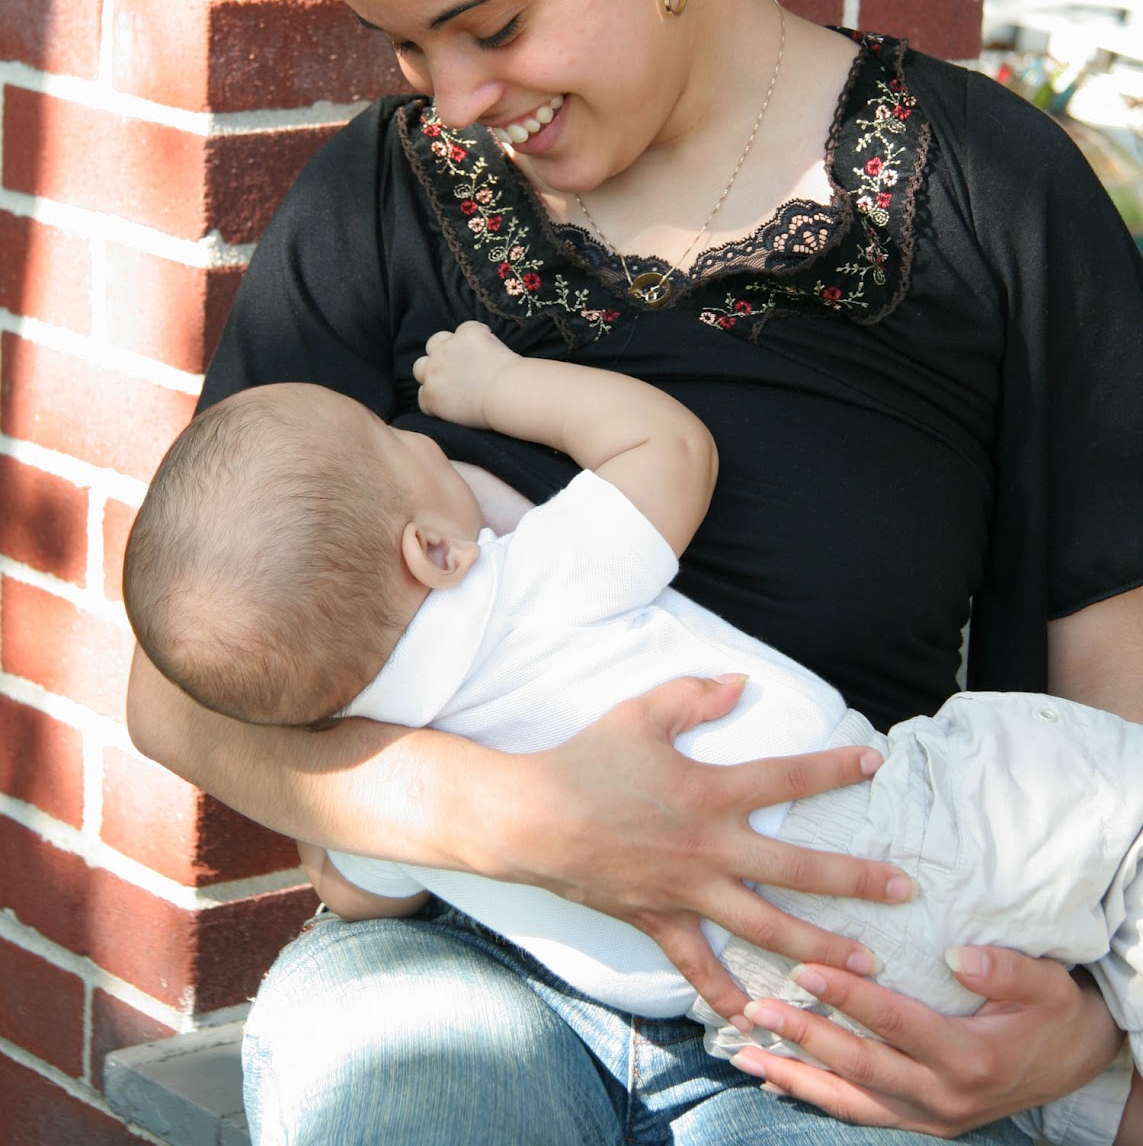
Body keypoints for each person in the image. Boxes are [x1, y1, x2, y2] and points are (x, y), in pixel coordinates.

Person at [123, 0, 1143, 1145]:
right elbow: (176, 691)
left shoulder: (988, 199)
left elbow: (1114, 711)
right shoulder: (384, 201)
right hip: (464, 966)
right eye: (404, 45)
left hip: (833, 999)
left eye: (493, 23)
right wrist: (526, 824)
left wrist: (1082, 1049)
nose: (452, 97)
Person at [122, 321, 1143, 1146]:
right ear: (431, 548)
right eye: (405, 444)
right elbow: (669, 451)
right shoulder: (524, 582)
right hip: (901, 828)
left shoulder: (370, 777)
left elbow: (351, 892)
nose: (426, 438)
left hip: (785, 1009)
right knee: (1121, 808)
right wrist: (497, 387)